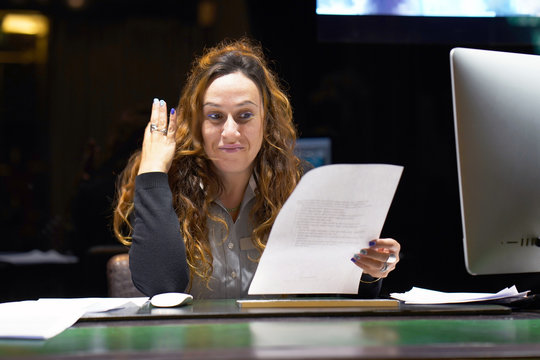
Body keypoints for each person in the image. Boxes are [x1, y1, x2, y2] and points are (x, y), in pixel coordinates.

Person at [113, 38, 400, 299]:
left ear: (266, 121)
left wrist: (368, 270)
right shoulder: (168, 187)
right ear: (197, 122)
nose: (230, 132)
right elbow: (161, 287)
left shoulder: (297, 186)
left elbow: (328, 295)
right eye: (215, 116)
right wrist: (152, 171)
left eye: (244, 115)